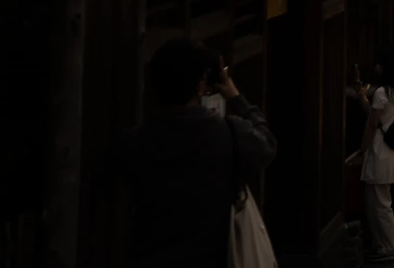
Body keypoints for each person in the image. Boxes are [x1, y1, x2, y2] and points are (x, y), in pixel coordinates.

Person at [114, 39, 277, 268]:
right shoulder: (229, 134)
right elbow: (267, 145)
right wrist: (235, 97)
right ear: (200, 85)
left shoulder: (136, 141)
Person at [349, 44, 394, 264]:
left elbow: (371, 124)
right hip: (392, 152)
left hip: (381, 152)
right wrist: (362, 96)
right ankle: (383, 245)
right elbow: (377, 116)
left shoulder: (383, 92)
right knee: (379, 201)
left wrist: (361, 150)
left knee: (380, 203)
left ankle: (390, 246)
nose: (375, 67)